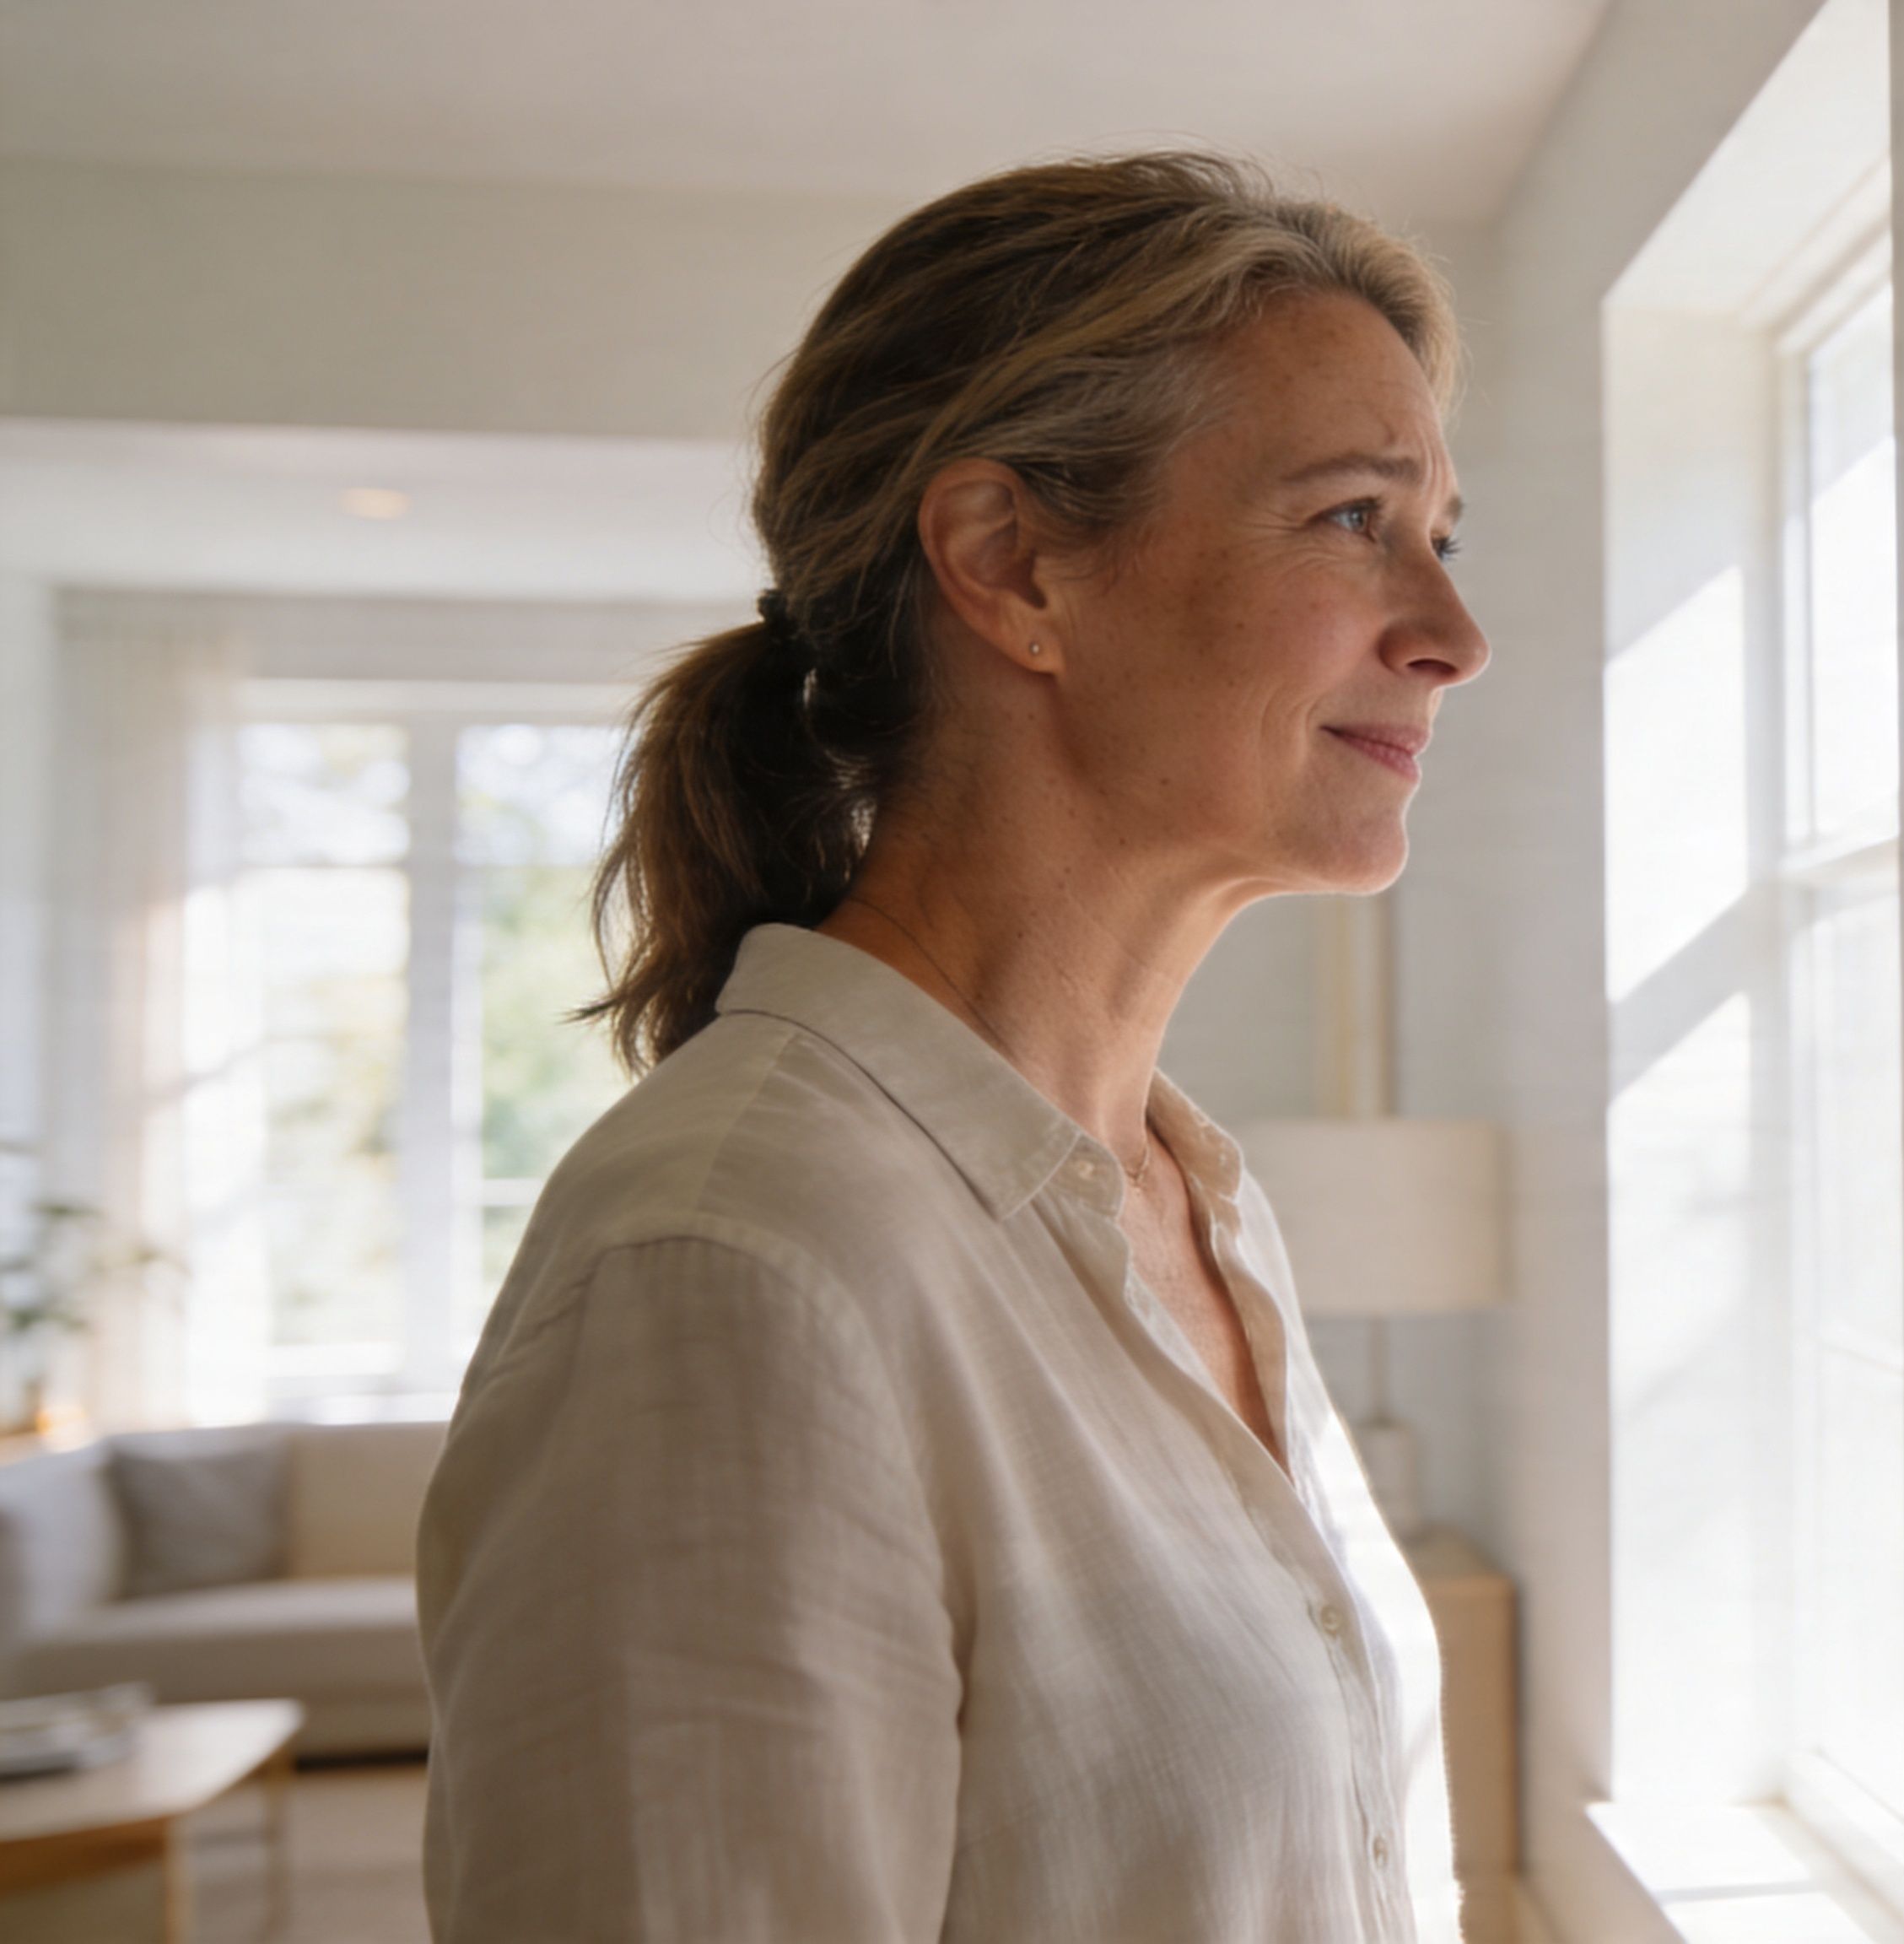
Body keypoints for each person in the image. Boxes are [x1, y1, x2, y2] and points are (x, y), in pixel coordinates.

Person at [416, 153, 1488, 1942]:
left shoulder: (1192, 1206)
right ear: (1012, 566)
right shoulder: (731, 1265)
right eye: (1349, 519)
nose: (1453, 636)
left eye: (1439, 537)